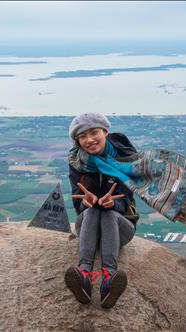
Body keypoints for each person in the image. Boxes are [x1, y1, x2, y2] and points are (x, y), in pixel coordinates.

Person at [65, 112, 139, 309]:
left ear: (105, 132)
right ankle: (84, 276)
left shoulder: (126, 159)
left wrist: (113, 204)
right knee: (91, 211)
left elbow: (128, 202)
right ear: (77, 140)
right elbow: (77, 203)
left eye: (94, 132)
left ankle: (109, 278)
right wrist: (86, 202)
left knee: (107, 213)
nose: (89, 140)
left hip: (120, 227)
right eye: (82, 136)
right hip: (88, 227)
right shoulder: (76, 163)